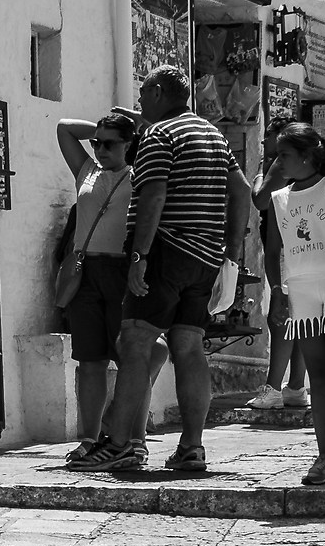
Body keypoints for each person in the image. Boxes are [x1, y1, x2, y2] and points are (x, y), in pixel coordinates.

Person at [84, 68, 247, 475]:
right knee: (189, 347)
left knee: (135, 341)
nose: (139, 101)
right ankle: (191, 447)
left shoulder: (160, 135)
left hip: (166, 250)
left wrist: (139, 255)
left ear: (158, 92)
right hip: (205, 257)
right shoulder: (213, 135)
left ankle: (120, 443)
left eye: (143, 93)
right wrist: (232, 250)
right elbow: (241, 190)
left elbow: (154, 193)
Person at [260, 123, 325, 487]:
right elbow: (273, 252)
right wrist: (277, 291)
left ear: (306, 156)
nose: (278, 161)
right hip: (301, 290)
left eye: (284, 155)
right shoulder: (279, 200)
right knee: (317, 378)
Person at [55, 108, 162, 459]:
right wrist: (100, 127)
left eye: (109, 144)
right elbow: (64, 127)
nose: (100, 149)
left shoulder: (139, 175)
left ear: (129, 146)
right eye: (97, 143)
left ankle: (135, 439)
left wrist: (134, 125)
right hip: (84, 272)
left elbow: (153, 135)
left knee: (133, 358)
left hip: (121, 270)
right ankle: (88, 438)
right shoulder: (86, 171)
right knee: (90, 360)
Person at [246, 152, 309, 411]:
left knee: (281, 319)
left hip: (287, 247)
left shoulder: (281, 165)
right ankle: (295, 387)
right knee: (299, 320)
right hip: (294, 246)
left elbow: (261, 199)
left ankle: (273, 388)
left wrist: (262, 172)